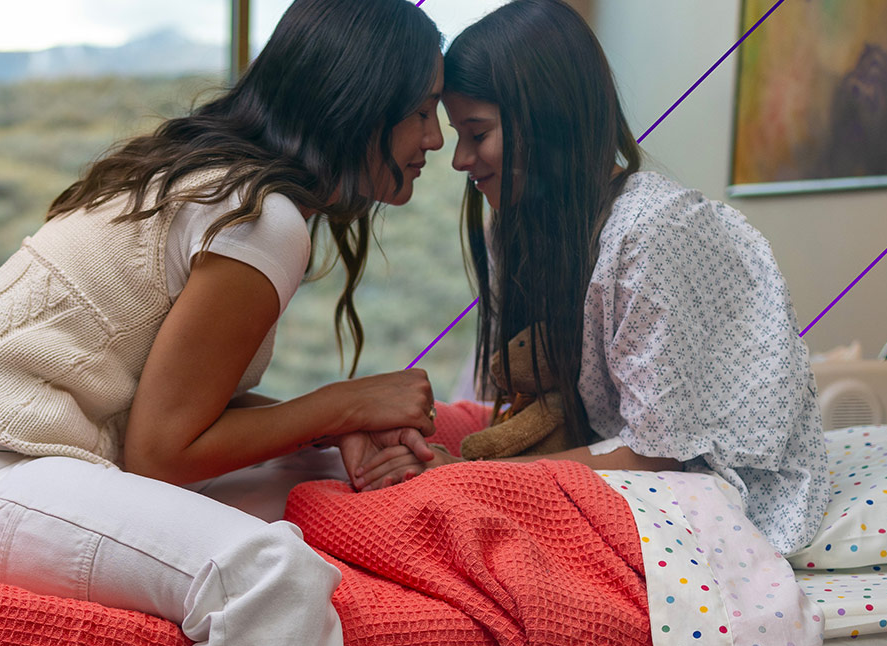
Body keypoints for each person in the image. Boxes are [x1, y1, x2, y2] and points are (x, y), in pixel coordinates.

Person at [0, 0, 445, 646]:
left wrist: (332, 426)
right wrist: (343, 405)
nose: (437, 142)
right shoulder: (262, 216)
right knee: (266, 577)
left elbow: (184, 401)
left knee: (312, 474)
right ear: (360, 102)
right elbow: (162, 452)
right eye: (421, 112)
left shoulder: (227, 183)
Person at [353, 0, 826, 553]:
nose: (459, 160)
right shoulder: (520, 226)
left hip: (698, 492)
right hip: (619, 467)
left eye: (476, 134)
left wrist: (470, 479)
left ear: (546, 120)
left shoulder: (655, 230)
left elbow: (659, 453)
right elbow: (553, 411)